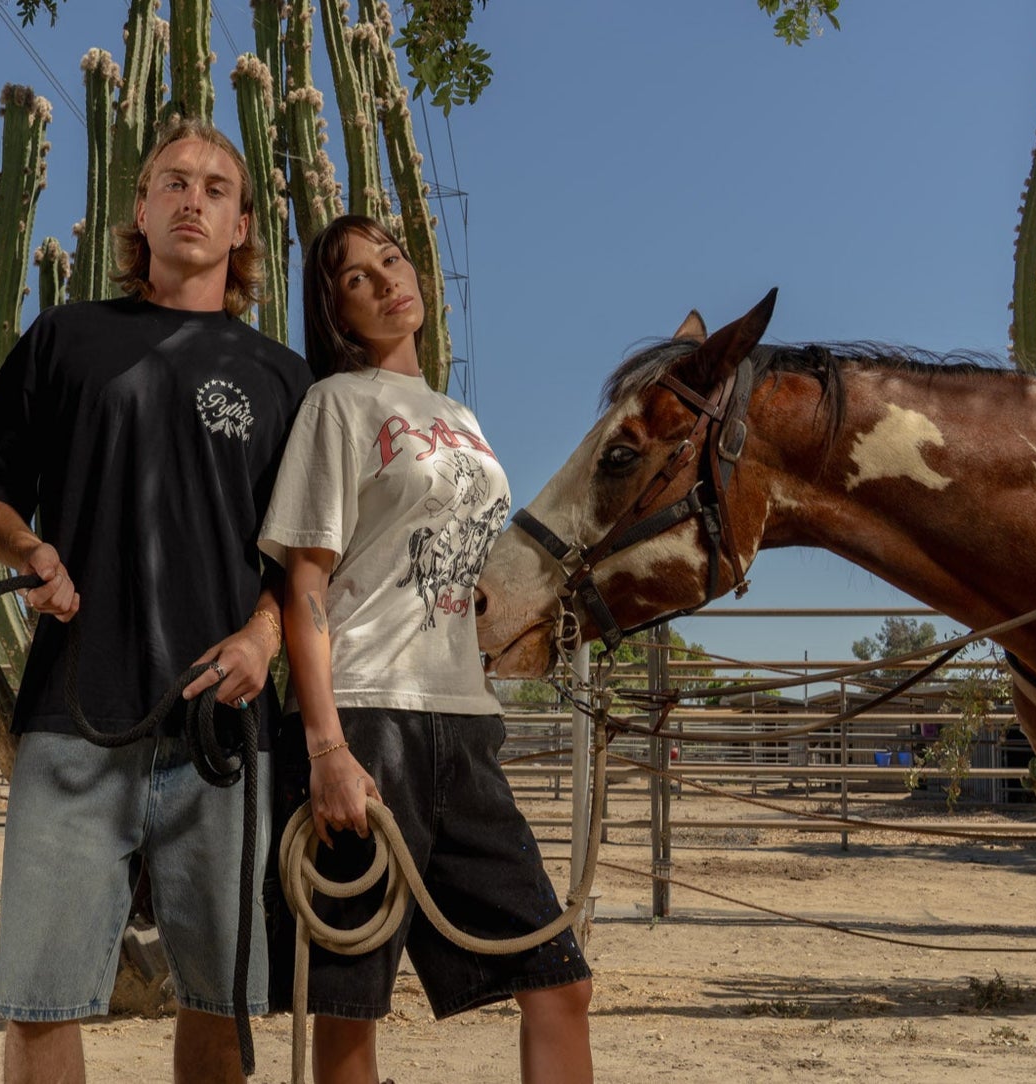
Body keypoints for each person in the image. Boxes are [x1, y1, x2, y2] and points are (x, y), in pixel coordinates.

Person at [0, 120, 312, 1084]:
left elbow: (308, 555)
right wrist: (27, 546)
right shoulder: (68, 339)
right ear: (143, 208)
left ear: (242, 225)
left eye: (216, 188)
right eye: (174, 182)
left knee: (220, 1004)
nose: (194, 199)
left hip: (224, 735)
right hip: (75, 720)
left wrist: (263, 634)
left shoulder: (284, 379)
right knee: (39, 1001)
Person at [259, 214, 594, 1084]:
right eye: (358, 279)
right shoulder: (337, 405)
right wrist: (325, 748)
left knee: (558, 979)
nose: (386, 281)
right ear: (337, 313)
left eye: (392, 261)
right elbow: (306, 586)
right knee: (351, 1008)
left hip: (465, 722)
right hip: (367, 721)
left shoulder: (461, 419)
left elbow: (444, 553)